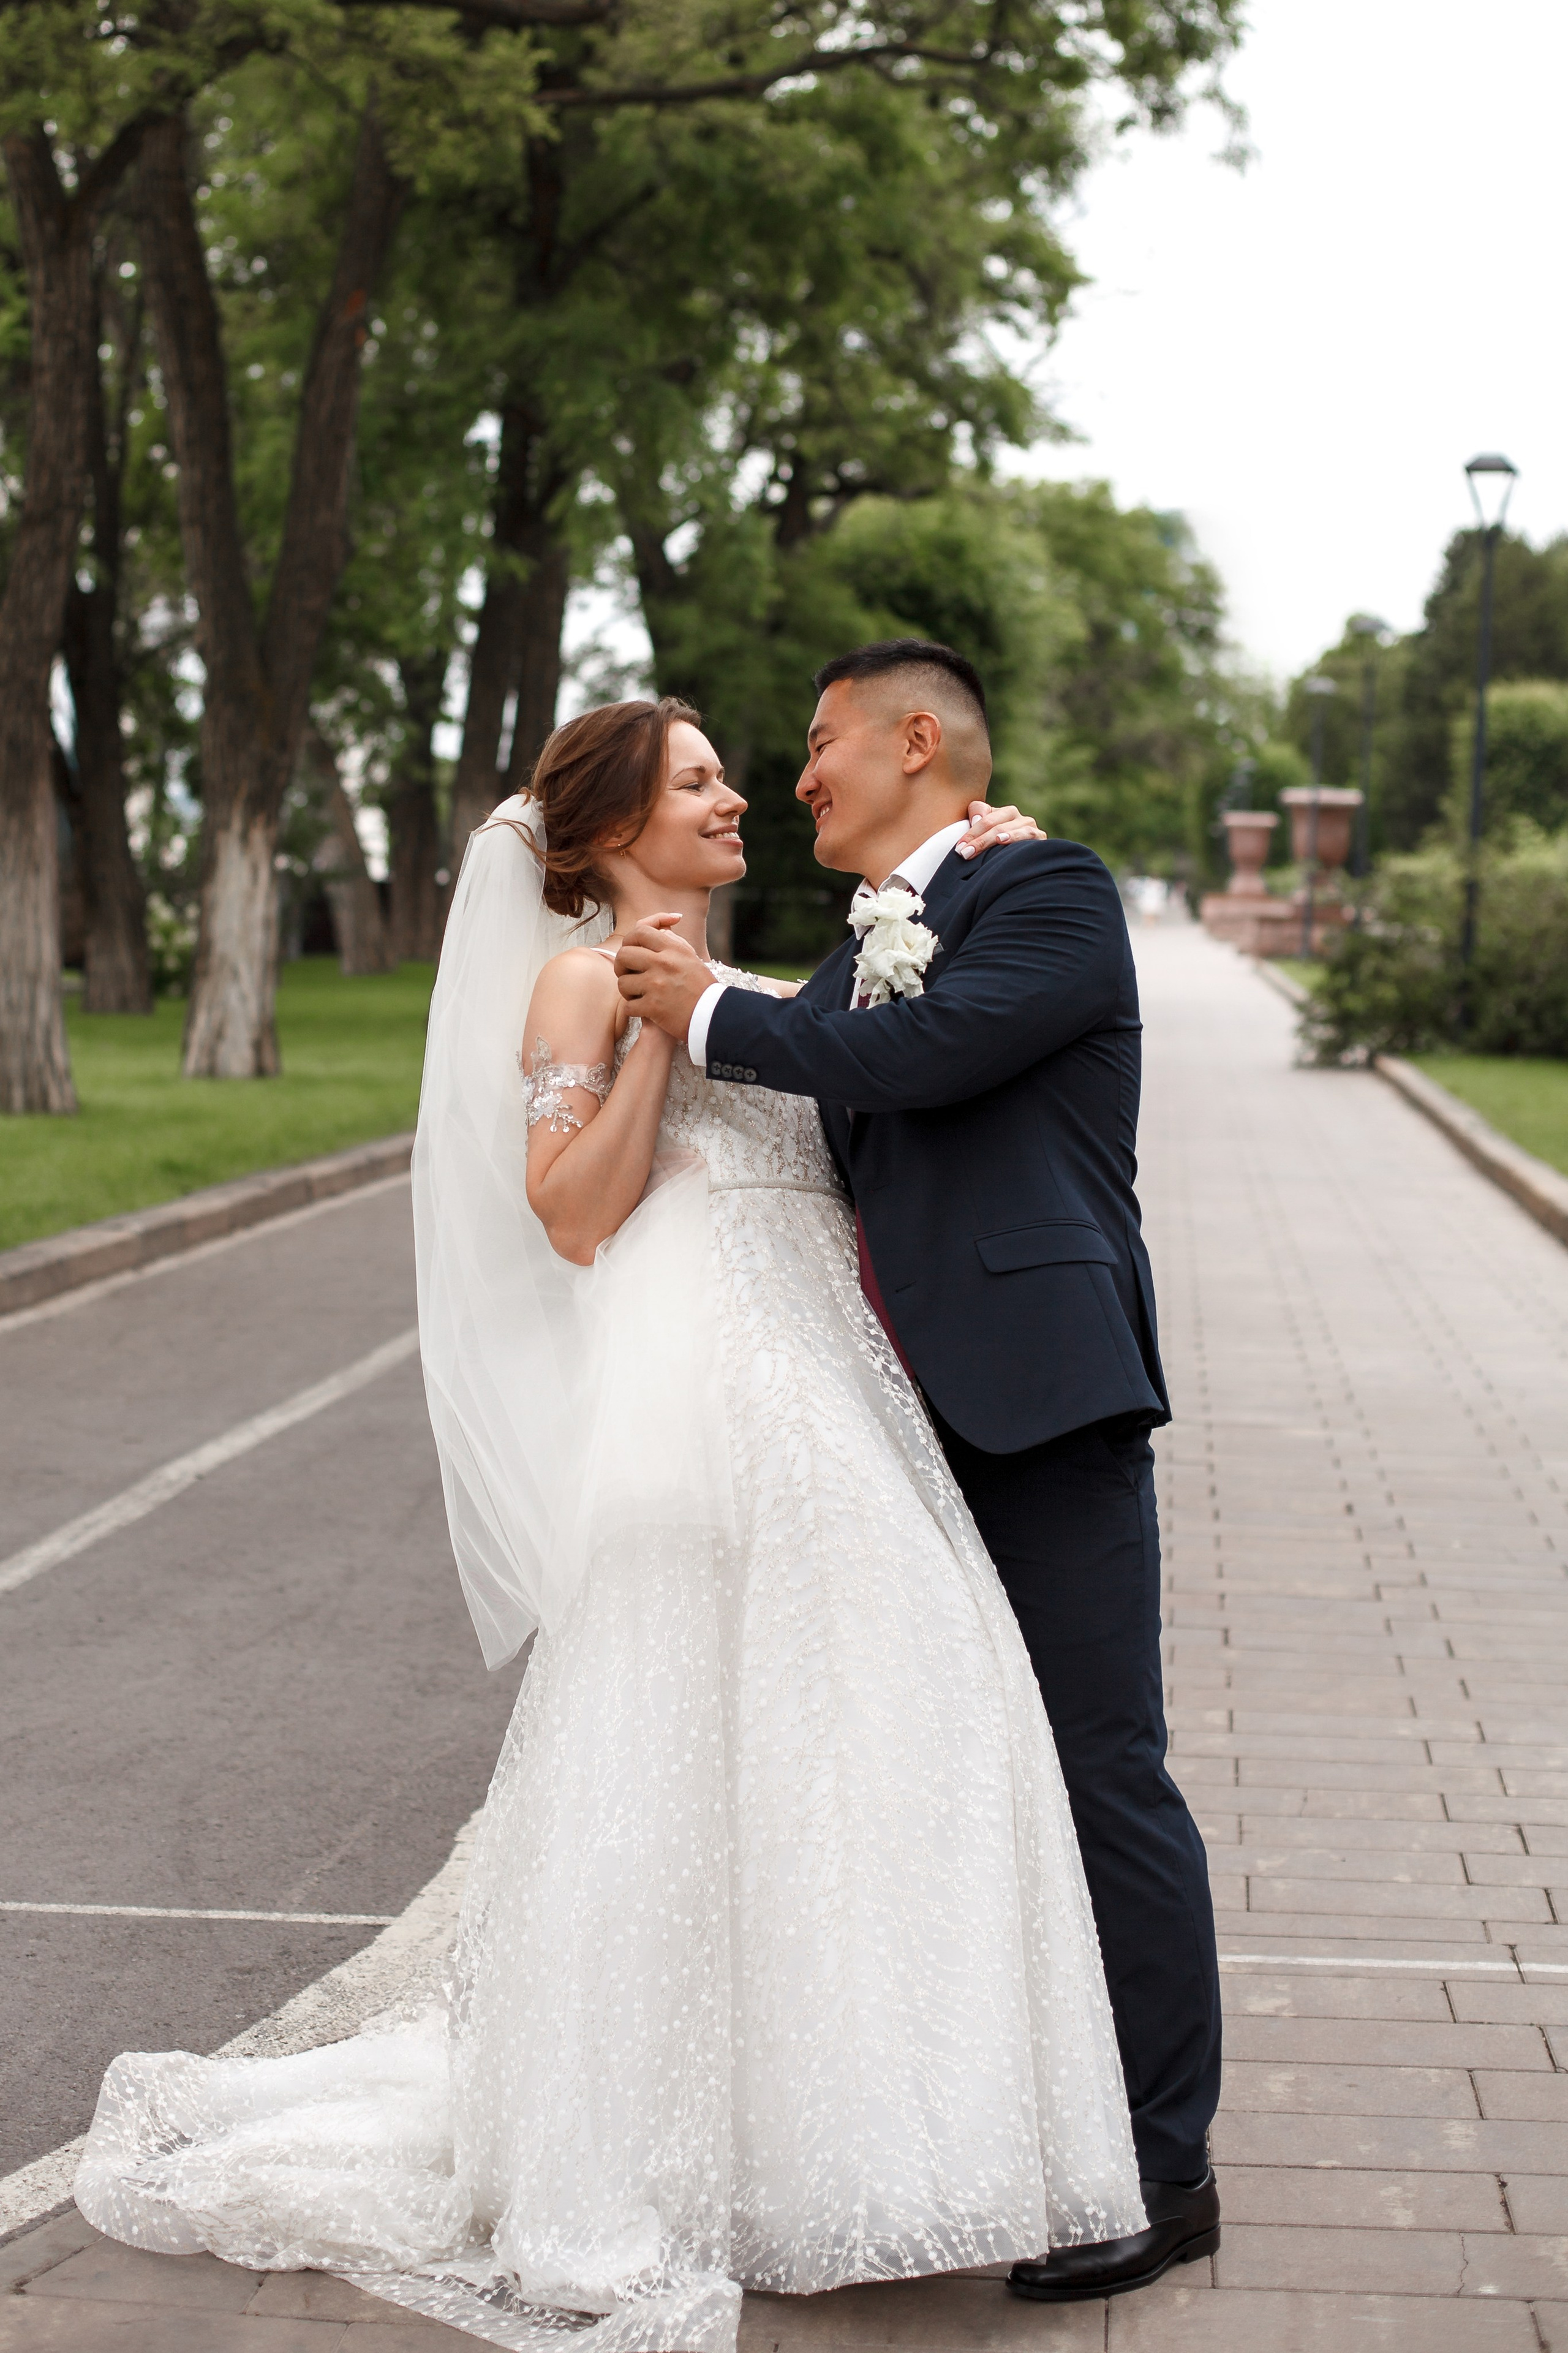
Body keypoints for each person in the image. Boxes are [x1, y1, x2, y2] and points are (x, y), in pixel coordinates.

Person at [75, 695, 1145, 2353]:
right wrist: (661, 1030)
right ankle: (648, 2143)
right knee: (685, 1744)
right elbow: (573, 1215)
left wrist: (959, 866)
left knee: (875, 1730)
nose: (738, 800)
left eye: (732, 776)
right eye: (698, 781)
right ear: (611, 829)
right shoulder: (583, 981)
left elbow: (886, 1069)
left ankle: (859, 2129)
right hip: (701, 1392)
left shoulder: (781, 981)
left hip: (831, 1375)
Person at [615, 642, 1223, 2303]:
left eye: (821, 743)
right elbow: (811, 1075)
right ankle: (1009, 2130)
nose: (799, 774)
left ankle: (1165, 2169)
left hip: (1040, 1402)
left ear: (917, 739)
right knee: (952, 1787)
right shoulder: (864, 941)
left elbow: (917, 1056)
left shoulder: (1054, 893)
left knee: (1101, 1773)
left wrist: (705, 1005)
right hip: (883, 1423)